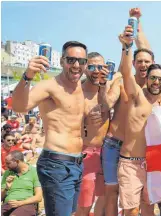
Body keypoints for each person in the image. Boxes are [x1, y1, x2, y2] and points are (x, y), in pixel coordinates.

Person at [12, 41, 89, 216]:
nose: (76, 65)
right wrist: (27, 76)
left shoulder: (81, 88)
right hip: (56, 164)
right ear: (62, 61)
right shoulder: (50, 86)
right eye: (71, 60)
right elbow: (18, 106)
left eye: (81, 61)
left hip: (76, 164)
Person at [117, 25, 161, 216]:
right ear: (147, 78)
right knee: (130, 210)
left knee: (149, 208)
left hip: (154, 164)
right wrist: (126, 48)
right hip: (130, 163)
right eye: (153, 78)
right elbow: (125, 73)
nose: (156, 82)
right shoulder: (137, 96)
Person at [76, 52, 121, 216]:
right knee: (85, 202)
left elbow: (123, 73)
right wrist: (84, 119)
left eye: (100, 67)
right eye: (92, 66)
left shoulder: (108, 89)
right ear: (85, 68)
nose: (96, 70)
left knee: (104, 198)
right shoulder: (78, 92)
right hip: (86, 151)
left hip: (107, 152)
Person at [1, 150, 43, 216]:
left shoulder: (34, 172)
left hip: (26, 204)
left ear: (17, 161)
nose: (6, 166)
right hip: (8, 204)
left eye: (8, 163)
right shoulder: (7, 172)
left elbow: (39, 197)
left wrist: (20, 203)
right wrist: (6, 188)